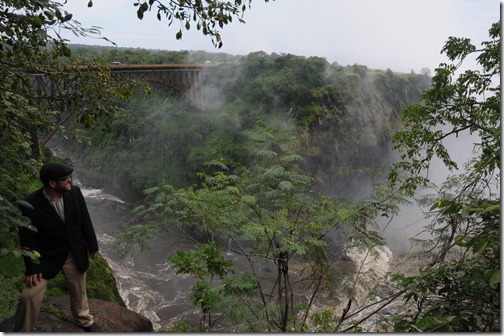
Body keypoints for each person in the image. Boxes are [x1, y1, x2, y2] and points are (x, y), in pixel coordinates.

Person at [14, 162, 101, 332]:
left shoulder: (74, 192)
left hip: (73, 250)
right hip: (45, 256)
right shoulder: (29, 204)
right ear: (52, 183)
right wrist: (32, 267)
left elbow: (85, 218)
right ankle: (23, 331)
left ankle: (83, 319)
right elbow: (27, 238)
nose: (70, 180)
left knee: (79, 288)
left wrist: (92, 245)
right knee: (29, 296)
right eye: (65, 178)